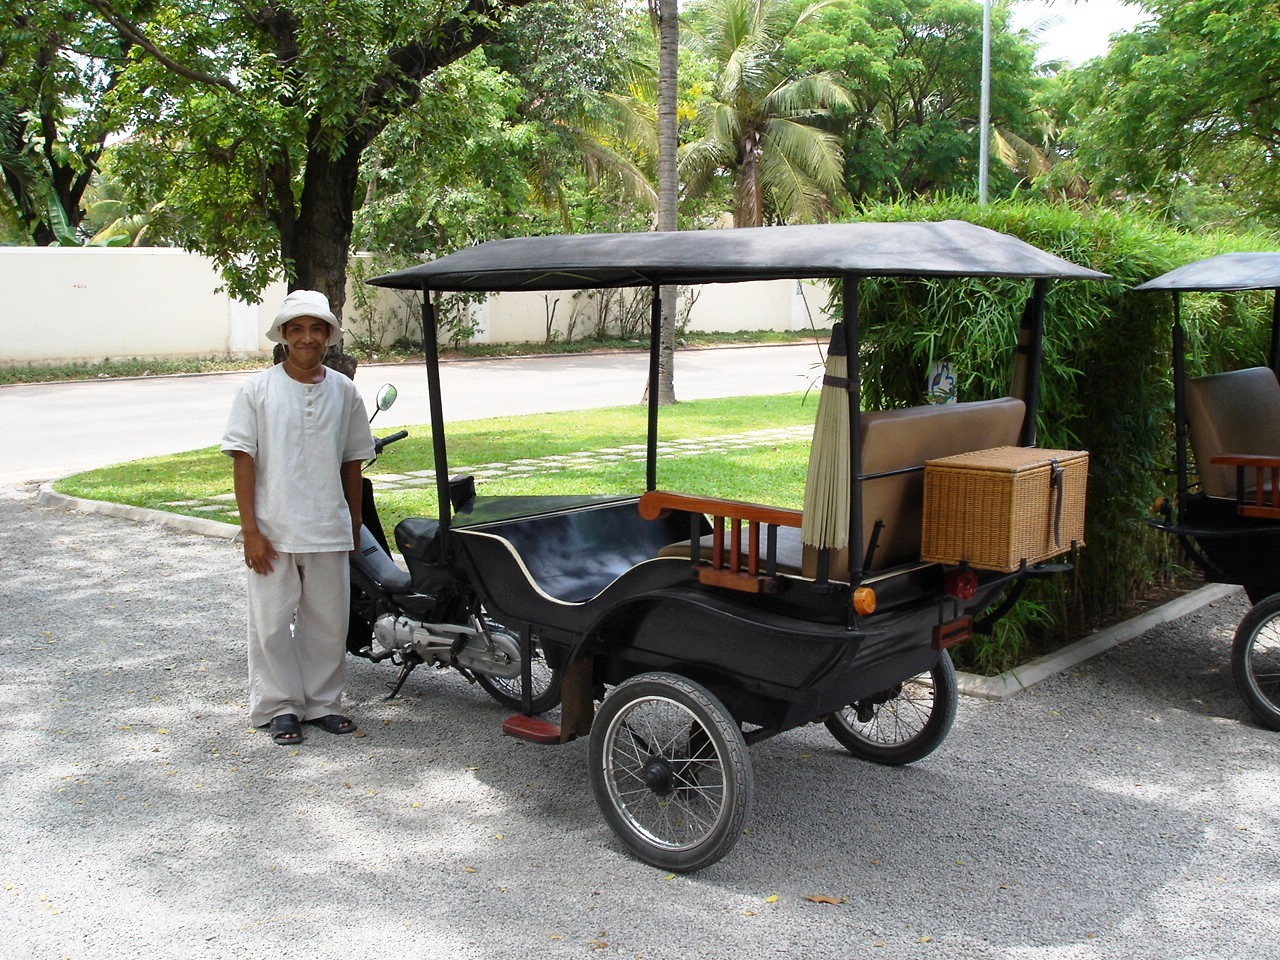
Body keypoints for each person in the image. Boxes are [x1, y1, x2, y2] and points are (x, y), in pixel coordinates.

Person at [221, 289, 376, 746]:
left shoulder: (344, 391)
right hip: (273, 529)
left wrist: (352, 522)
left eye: (315, 329)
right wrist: (250, 530)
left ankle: (323, 703)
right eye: (297, 329)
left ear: (328, 335)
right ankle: (280, 707)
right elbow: (242, 459)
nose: (307, 338)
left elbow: (352, 461)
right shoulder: (256, 391)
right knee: (270, 623)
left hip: (327, 525)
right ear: (284, 336)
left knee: (328, 622)